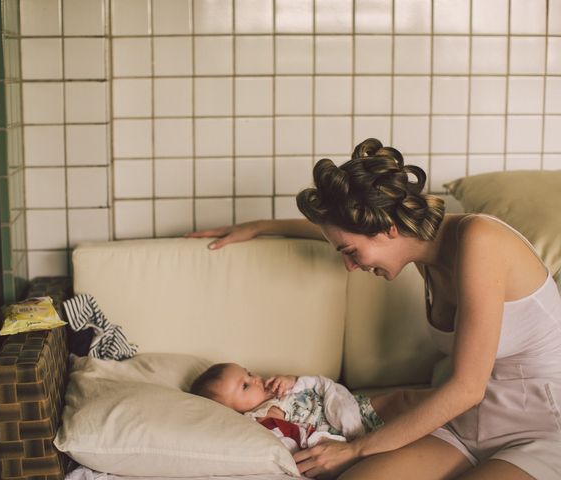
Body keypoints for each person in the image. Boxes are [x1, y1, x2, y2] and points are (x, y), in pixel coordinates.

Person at [185, 138, 561, 479]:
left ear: (389, 229)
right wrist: (259, 227)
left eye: (350, 254)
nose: (351, 266)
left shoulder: (481, 241)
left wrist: (356, 448)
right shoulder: (420, 253)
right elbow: (339, 232)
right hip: (464, 426)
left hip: (540, 431)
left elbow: (466, 387)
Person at [190, 362, 386, 454]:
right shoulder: (265, 416)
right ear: (233, 412)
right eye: (245, 385)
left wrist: (292, 380)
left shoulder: (274, 388)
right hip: (348, 430)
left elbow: (308, 386)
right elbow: (297, 437)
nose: (256, 379)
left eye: (249, 373)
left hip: (354, 405)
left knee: (403, 399)